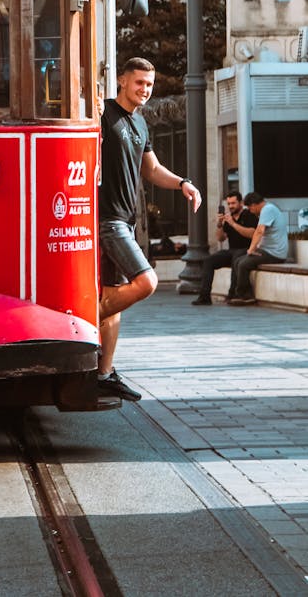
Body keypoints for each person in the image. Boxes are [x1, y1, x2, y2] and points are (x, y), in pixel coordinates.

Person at [98, 57, 202, 401]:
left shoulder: (141, 124)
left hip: (125, 220)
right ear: (123, 81)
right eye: (139, 83)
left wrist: (183, 183)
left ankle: (104, 373)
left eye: (149, 85)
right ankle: (82, 323)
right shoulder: (103, 113)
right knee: (146, 282)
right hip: (106, 220)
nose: (145, 90)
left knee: (115, 298)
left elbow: (153, 169)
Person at [191, 191, 257, 305]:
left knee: (236, 258)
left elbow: (252, 233)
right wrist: (220, 224)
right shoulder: (228, 218)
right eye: (229, 204)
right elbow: (220, 238)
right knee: (208, 261)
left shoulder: (249, 214)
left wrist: (233, 224)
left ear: (241, 203)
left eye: (233, 203)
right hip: (232, 250)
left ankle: (233, 294)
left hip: (246, 249)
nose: (231, 206)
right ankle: (204, 296)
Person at [228, 192, 288, 304]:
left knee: (243, 264)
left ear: (254, 204)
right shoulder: (268, 209)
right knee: (238, 261)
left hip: (275, 253)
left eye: (250, 208)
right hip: (267, 250)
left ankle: (245, 296)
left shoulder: (267, 210)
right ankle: (243, 293)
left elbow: (259, 231)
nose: (250, 211)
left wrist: (251, 249)